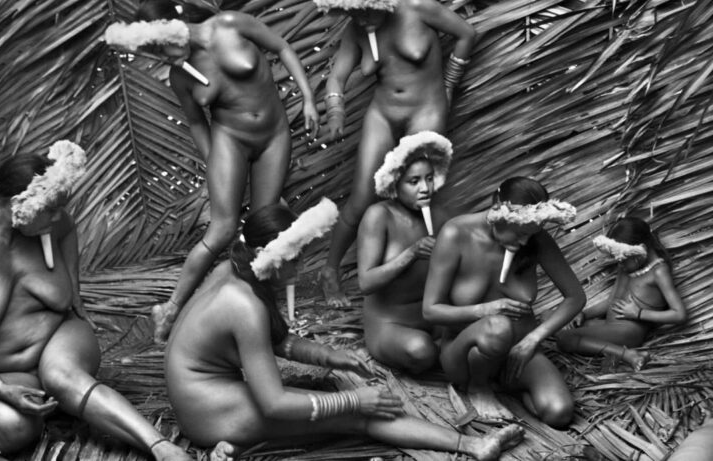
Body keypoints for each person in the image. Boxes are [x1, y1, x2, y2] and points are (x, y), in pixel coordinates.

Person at [164, 199, 525, 461]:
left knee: (341, 406)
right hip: (207, 410)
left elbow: (279, 340)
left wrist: (332, 357)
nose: (300, 267)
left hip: (201, 395)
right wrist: (354, 400)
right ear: (266, 256)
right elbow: (274, 403)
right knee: (360, 417)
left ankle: (236, 444)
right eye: (294, 259)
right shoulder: (244, 305)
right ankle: (473, 446)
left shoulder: (234, 270)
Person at [0, 142, 193, 459]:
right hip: (0, 372)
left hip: (60, 342)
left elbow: (66, 227)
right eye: (50, 209)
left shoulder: (52, 224)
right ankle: (56, 398)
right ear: (17, 205)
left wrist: (73, 291)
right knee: (13, 429)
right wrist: (0, 388)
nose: (59, 216)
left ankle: (160, 446)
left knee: (61, 377)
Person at [106, 0, 321, 342]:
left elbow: (281, 46)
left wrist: (308, 98)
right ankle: (170, 309)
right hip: (229, 140)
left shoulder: (230, 24)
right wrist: (214, 162)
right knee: (222, 229)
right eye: (155, 52)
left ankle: (263, 311)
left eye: (164, 45)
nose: (165, 57)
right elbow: (196, 122)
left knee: (263, 225)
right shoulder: (180, 76)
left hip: (274, 135)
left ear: (177, 21)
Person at [313, 0, 476, 307]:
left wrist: (449, 84)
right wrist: (335, 112)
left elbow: (467, 34)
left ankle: (427, 281)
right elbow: (336, 77)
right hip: (382, 114)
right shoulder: (356, 29)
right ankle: (330, 271)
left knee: (420, 195)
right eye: (353, 14)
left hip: (426, 110)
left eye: (367, 11)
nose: (362, 20)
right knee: (361, 198)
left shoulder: (418, 7)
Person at [423, 177, 585, 428]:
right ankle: (479, 388)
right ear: (498, 212)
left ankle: (511, 388)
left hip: (518, 351)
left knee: (559, 413)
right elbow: (430, 311)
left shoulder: (535, 239)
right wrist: (483, 310)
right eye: (520, 233)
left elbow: (576, 297)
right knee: (497, 326)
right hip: (465, 357)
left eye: (531, 234)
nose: (524, 242)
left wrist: (533, 339)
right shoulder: (456, 233)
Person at [357, 131, 452, 374]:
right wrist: (411, 253)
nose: (425, 188)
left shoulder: (440, 216)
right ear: (395, 184)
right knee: (421, 350)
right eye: (414, 181)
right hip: (390, 325)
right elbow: (366, 283)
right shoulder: (380, 216)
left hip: (434, 321)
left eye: (429, 179)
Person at [557, 217, 686, 371]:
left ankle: (629, 355)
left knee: (564, 339)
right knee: (552, 319)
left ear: (639, 250)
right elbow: (611, 302)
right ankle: (613, 352)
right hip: (609, 326)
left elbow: (679, 314)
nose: (620, 262)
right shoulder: (626, 266)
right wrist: (584, 314)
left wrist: (638, 313)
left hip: (628, 332)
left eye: (623, 258)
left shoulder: (658, 272)